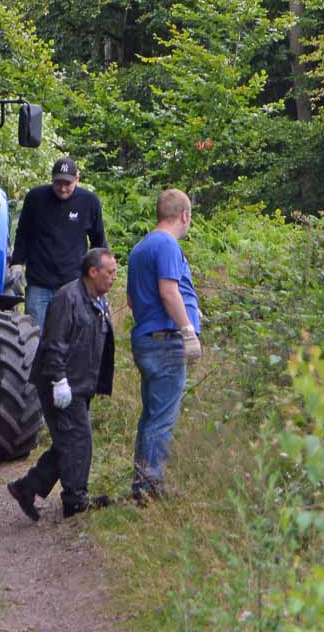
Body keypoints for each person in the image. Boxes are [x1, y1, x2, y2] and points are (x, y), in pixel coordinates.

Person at [8, 246, 117, 521]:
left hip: (81, 384)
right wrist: (59, 380)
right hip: (60, 383)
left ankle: (27, 487)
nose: (114, 277)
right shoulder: (67, 299)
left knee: (68, 440)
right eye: (110, 272)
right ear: (93, 272)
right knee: (79, 440)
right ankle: (75, 500)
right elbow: (54, 343)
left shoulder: (99, 300)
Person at [124, 188, 202, 504]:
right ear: (184, 215)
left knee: (151, 416)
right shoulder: (167, 245)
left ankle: (142, 480)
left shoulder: (140, 248)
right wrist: (188, 331)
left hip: (147, 339)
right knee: (162, 418)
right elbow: (169, 292)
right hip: (165, 342)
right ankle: (149, 487)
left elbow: (132, 300)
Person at [13, 157, 106, 327]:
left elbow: (98, 242)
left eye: (67, 184)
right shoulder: (35, 198)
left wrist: (100, 275)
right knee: (36, 335)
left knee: (72, 333)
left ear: (77, 180)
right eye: (58, 183)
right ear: (52, 179)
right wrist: (17, 263)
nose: (62, 188)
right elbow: (23, 234)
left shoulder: (89, 202)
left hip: (73, 284)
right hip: (39, 283)